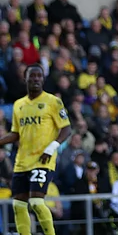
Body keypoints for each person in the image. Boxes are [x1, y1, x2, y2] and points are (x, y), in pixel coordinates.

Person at [0, 64, 72, 235]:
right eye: (32, 76)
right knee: (18, 205)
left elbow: (66, 129)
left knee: (37, 202)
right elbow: (16, 133)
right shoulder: (19, 105)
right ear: (25, 78)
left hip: (43, 160)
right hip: (22, 162)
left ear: (43, 79)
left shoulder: (53, 102)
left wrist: (52, 147)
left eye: (39, 76)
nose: (36, 79)